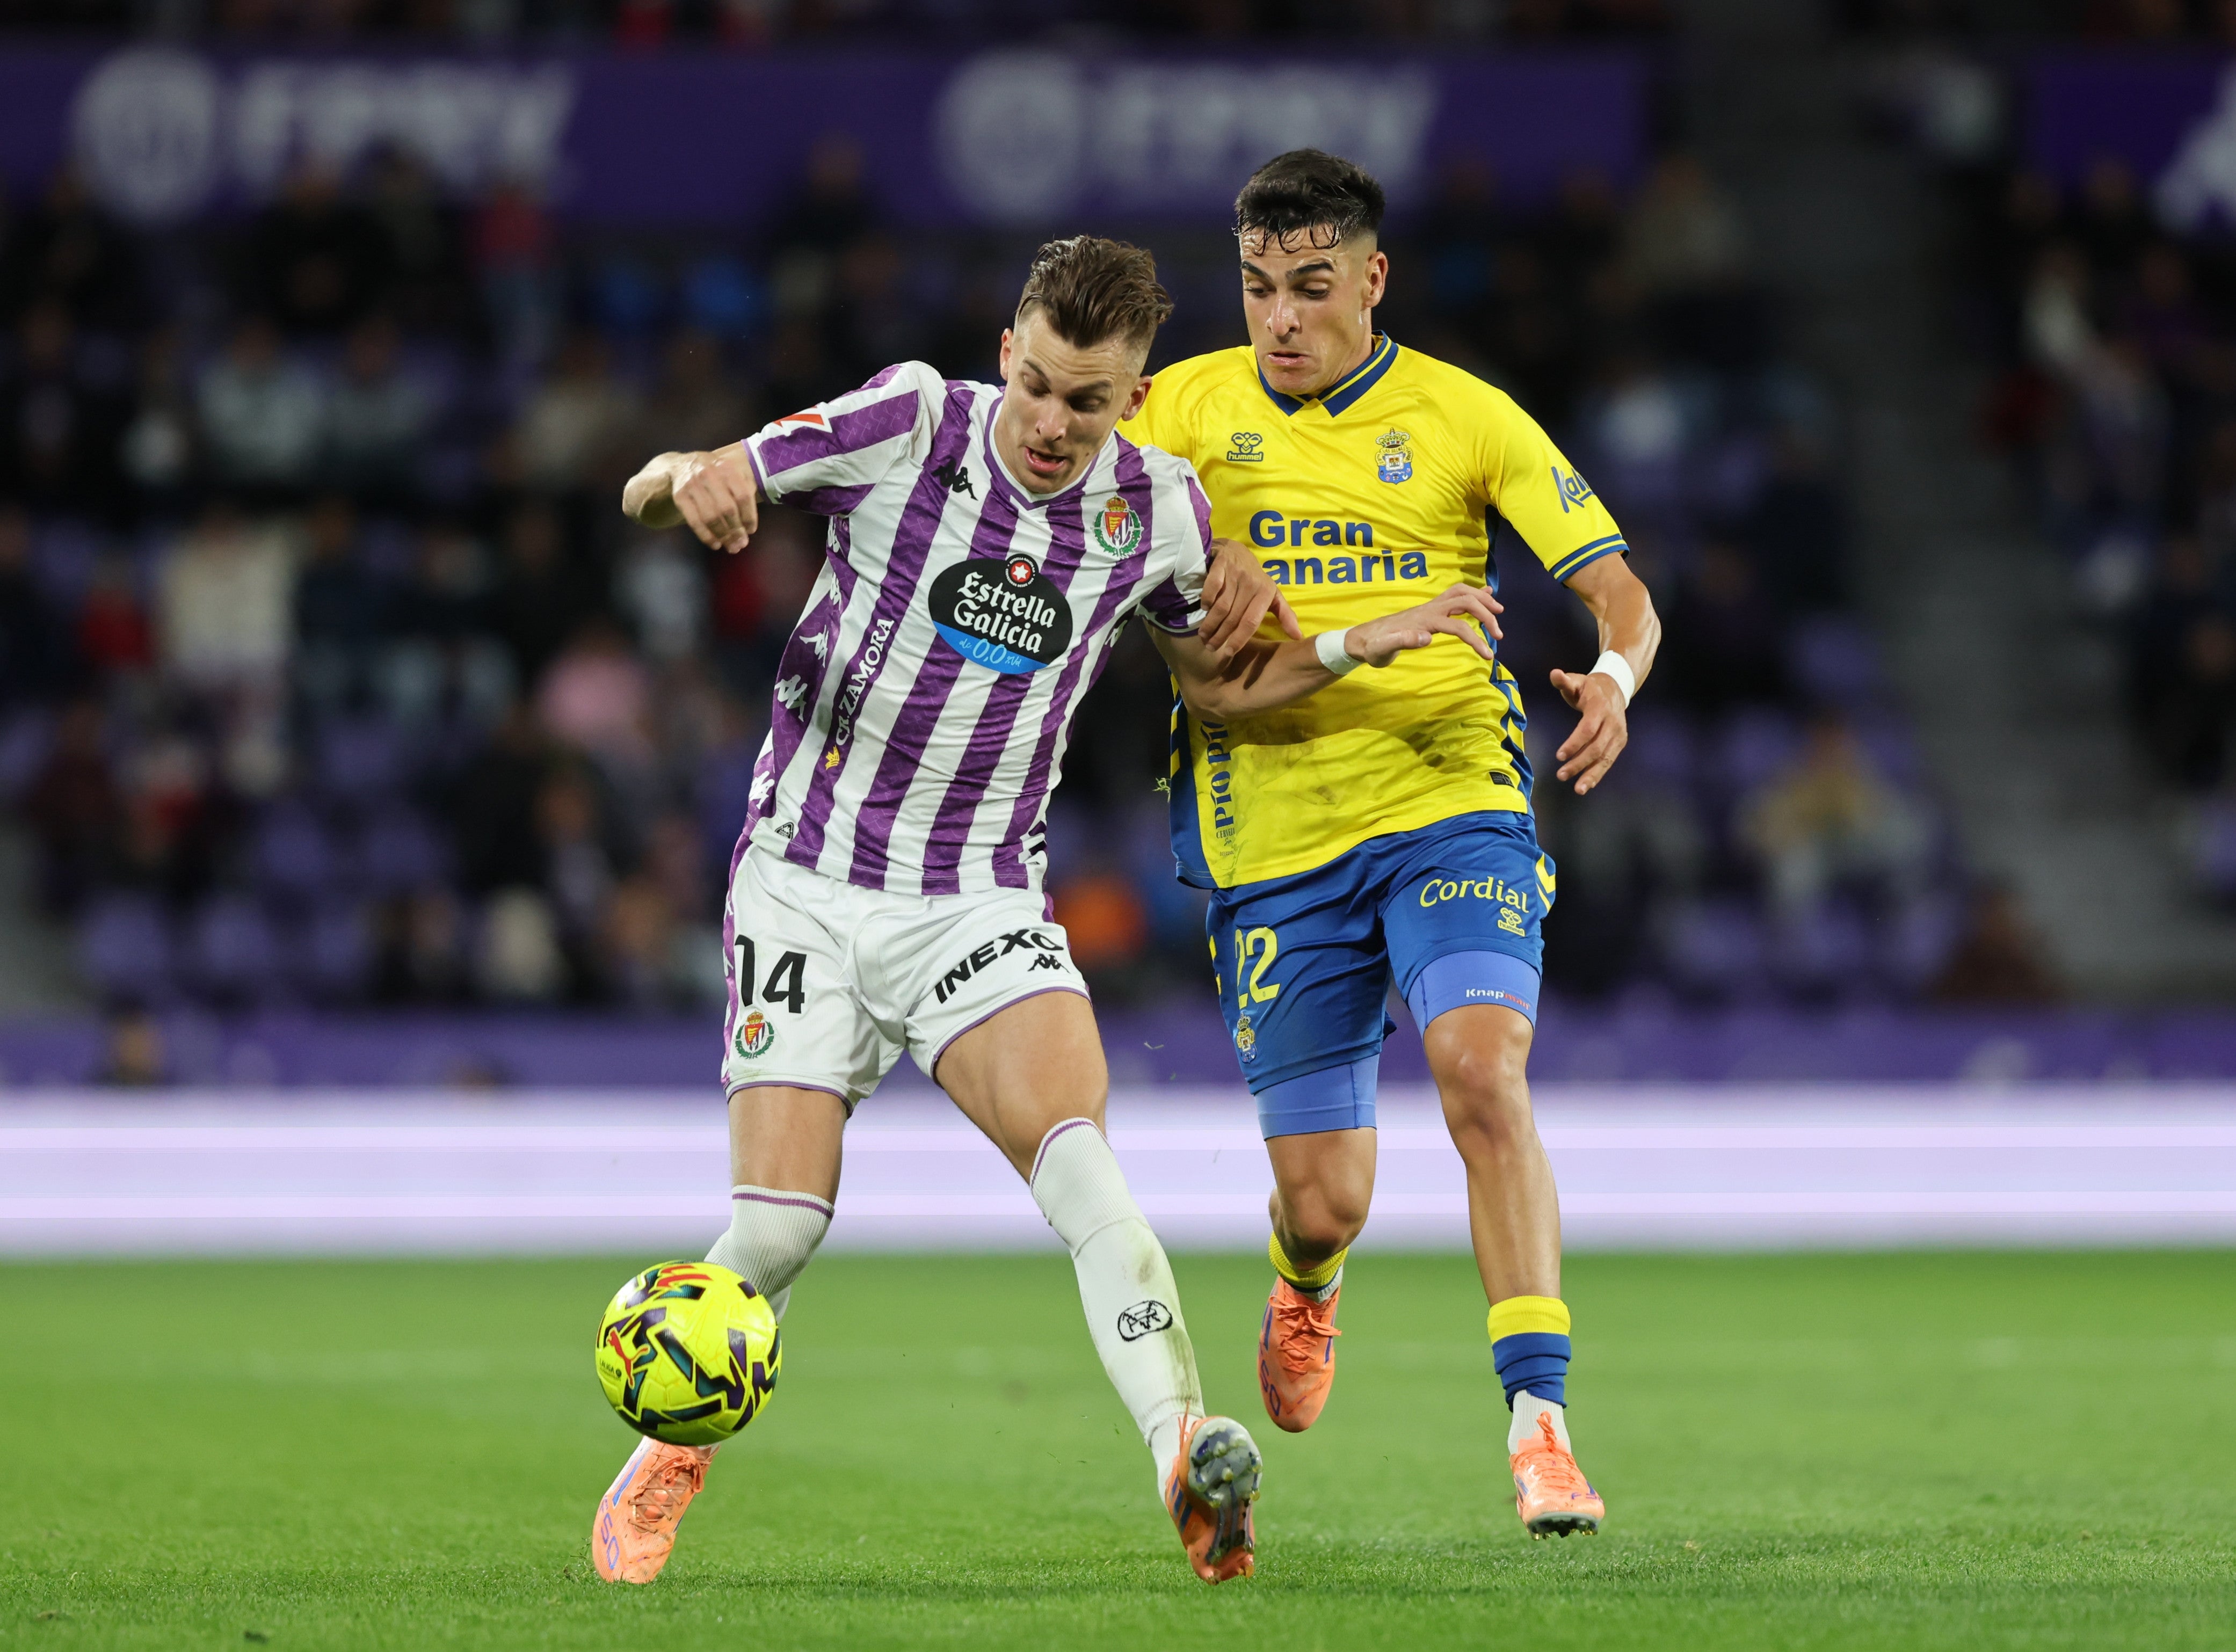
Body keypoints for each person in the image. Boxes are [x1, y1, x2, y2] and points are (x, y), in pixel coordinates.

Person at [593, 234, 1500, 1587]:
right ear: (1008, 356)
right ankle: (671, 1441)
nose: (1056, 426)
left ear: (1135, 396)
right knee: (778, 1231)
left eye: (1092, 402)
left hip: (976, 902)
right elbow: (653, 487)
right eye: (1041, 389)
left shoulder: (1161, 510)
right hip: (807, 883)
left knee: (1086, 1177)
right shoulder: (909, 420)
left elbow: (1219, 687)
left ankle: (1184, 1453)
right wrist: (695, 477)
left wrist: (1349, 646)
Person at [1124, 151, 1663, 1539]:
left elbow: (1619, 592)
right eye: (1255, 288)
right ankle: (1308, 1270)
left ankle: (1538, 1425)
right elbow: (1072, 500)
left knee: (1480, 1072)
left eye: (1309, 287)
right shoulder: (1177, 411)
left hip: (1448, 790)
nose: (1279, 319)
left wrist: (1612, 677)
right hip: (1270, 823)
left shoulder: (1463, 414)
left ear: (1371, 279)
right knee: (1327, 1191)